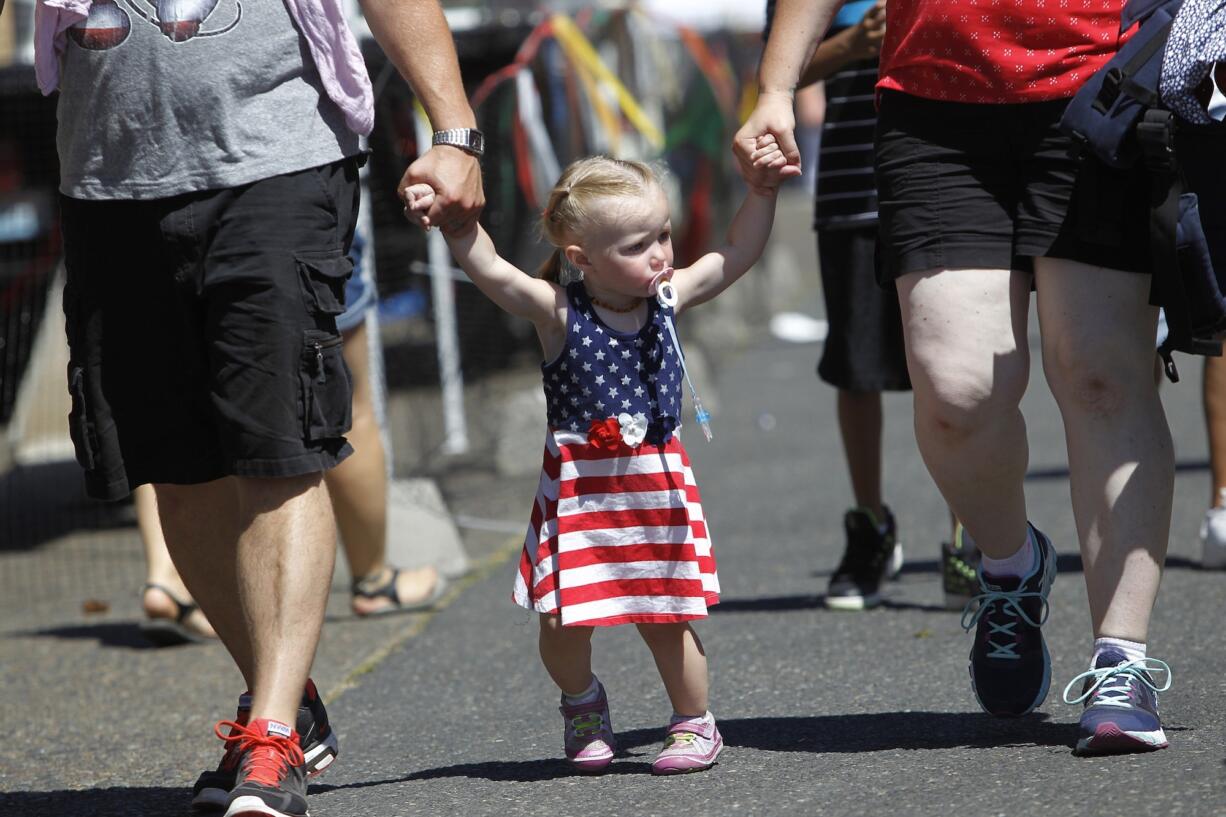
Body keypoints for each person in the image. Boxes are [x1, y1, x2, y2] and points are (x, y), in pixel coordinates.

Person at [38, 1, 483, 815]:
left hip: (276, 157)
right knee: (174, 462)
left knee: (282, 444)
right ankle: (285, 699)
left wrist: (453, 130)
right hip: (108, 171)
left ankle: (271, 734)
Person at [739, 0, 1176, 755]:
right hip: (935, 100)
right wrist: (776, 89)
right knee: (955, 393)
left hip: (1104, 74)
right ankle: (1010, 563)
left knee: (1103, 375)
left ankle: (1121, 660)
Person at [403, 149, 784, 774]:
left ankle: (693, 721)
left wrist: (762, 193)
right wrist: (455, 225)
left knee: (667, 615)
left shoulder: (668, 296)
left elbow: (734, 253)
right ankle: (581, 702)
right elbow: (495, 273)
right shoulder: (559, 312)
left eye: (663, 234)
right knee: (564, 621)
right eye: (639, 245)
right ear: (581, 258)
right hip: (581, 498)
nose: (661, 254)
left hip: (654, 493)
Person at [764, 0, 976, 611]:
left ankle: (972, 533)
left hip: (950, 181)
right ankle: (870, 527)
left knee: (955, 367)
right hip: (853, 186)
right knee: (857, 367)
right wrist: (855, 42)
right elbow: (778, 73)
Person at [136, 250, 447, 645]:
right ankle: (374, 580)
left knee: (174, 417)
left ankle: (167, 581)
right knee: (344, 402)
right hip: (282, 219)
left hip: (149, 215)